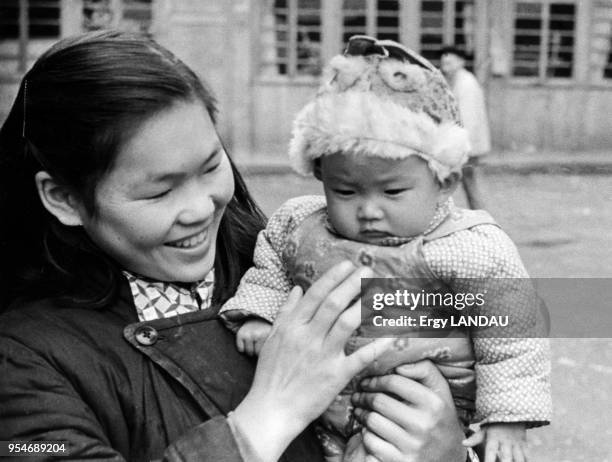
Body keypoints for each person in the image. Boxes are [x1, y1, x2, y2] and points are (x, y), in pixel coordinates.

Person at [0, 31, 471, 462]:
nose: (201, 208)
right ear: (64, 198)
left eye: (210, 167)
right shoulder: (21, 359)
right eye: (159, 192)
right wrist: (265, 418)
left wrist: (450, 448)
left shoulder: (283, 262)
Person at [220, 36, 551, 462]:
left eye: (393, 191)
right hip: (318, 403)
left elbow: (512, 331)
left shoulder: (467, 249)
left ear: (445, 181)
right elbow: (272, 264)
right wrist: (261, 313)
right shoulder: (299, 223)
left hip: (414, 407)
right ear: (319, 174)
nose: (368, 211)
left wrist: (508, 417)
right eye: (345, 190)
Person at [439, 46, 491, 210]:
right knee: (467, 181)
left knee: (470, 181)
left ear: (461, 62)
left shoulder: (466, 83)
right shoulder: (452, 80)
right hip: (462, 143)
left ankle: (482, 216)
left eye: (450, 61)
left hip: (468, 145)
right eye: (444, 61)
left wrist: (462, 146)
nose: (445, 64)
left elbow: (468, 118)